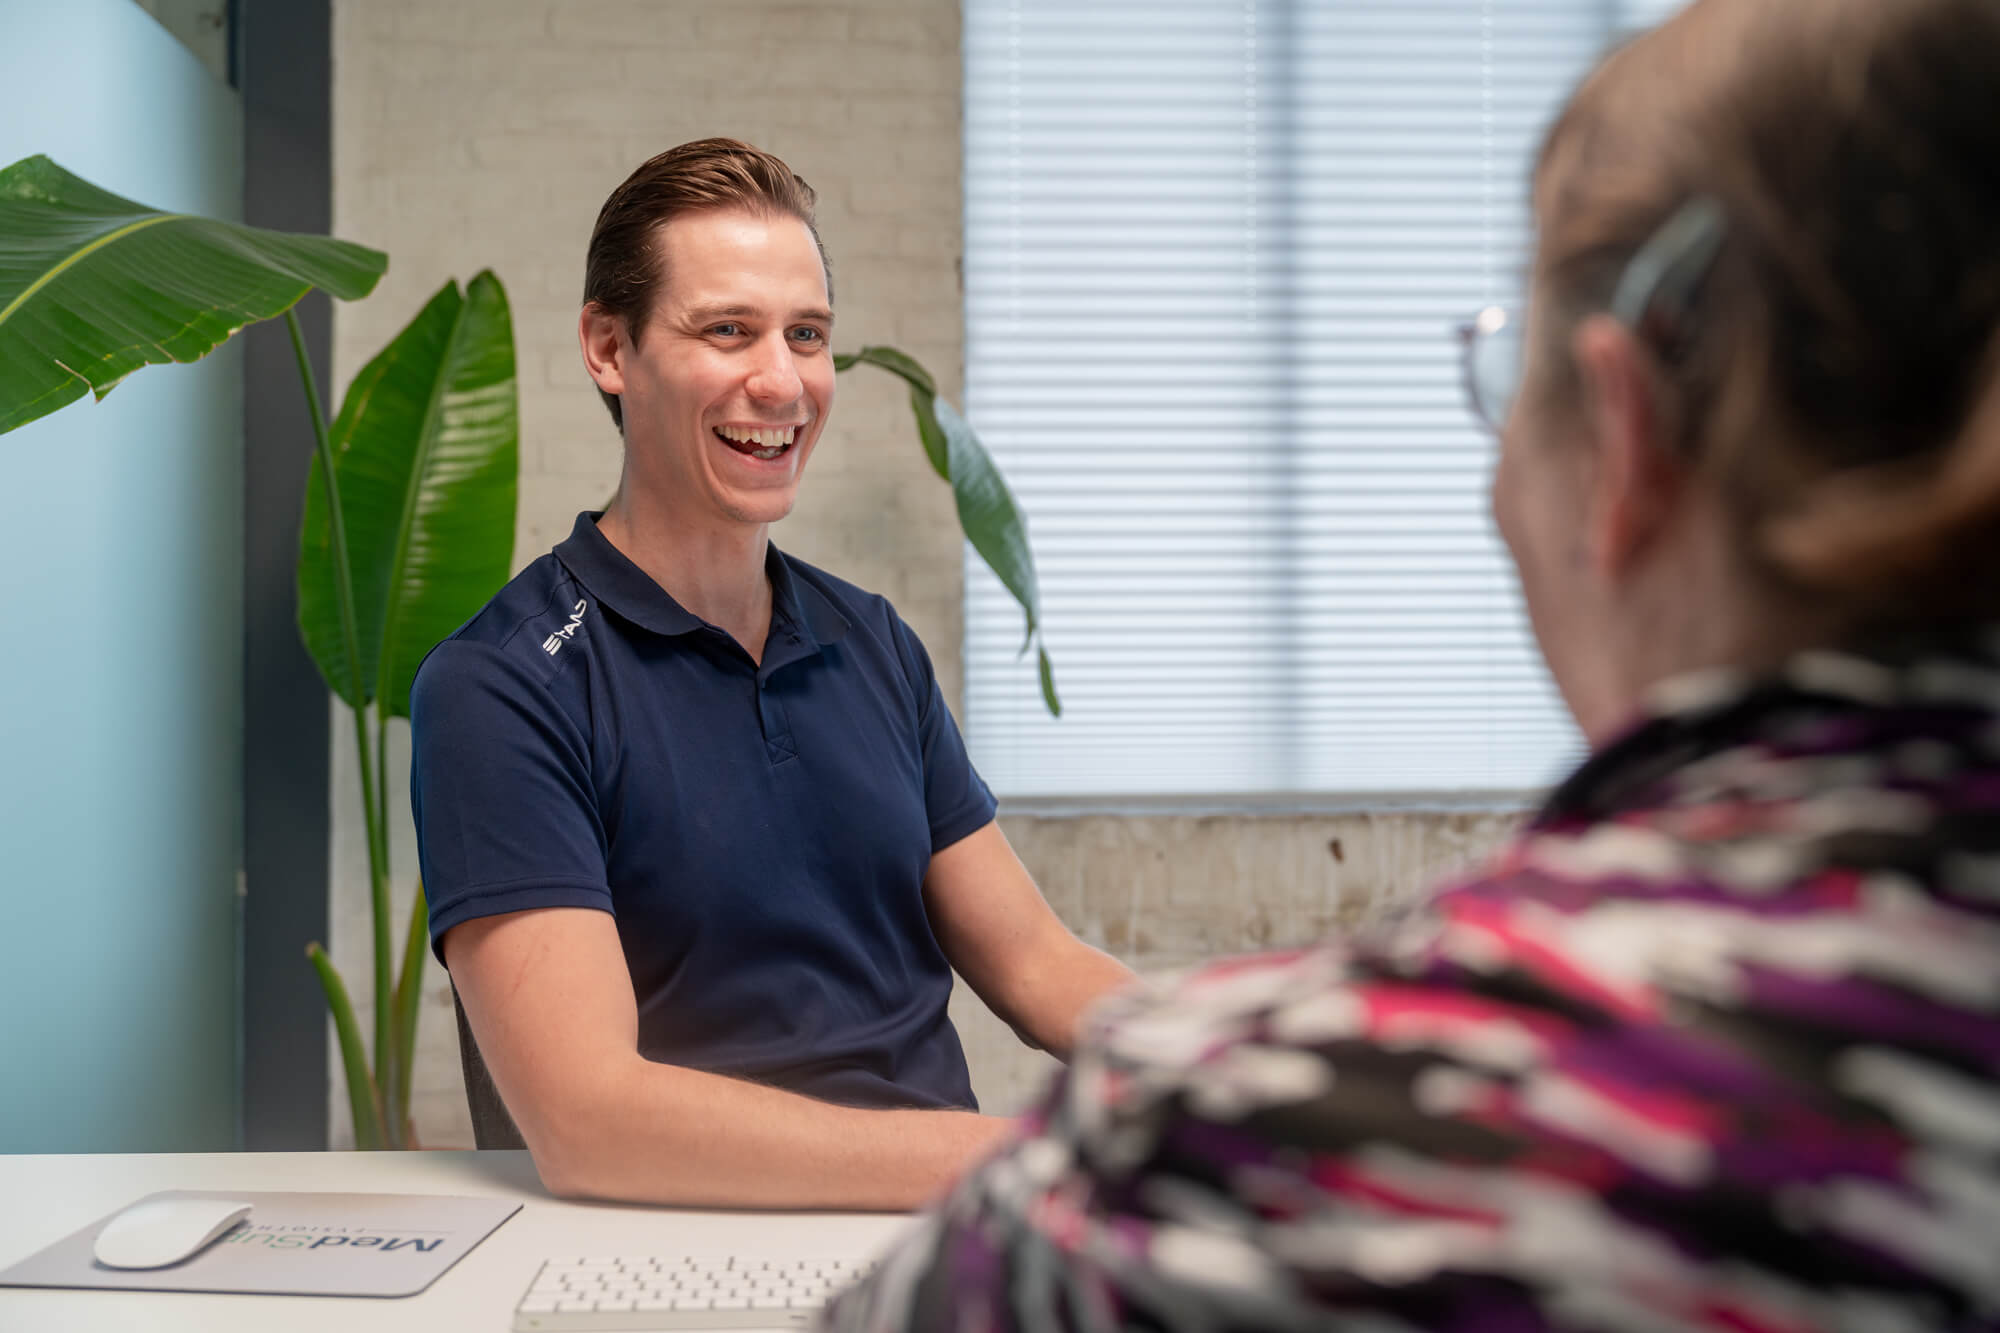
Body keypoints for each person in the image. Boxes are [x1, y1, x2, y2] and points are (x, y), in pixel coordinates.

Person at [825, 0, 2000, 1325]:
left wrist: (1193, 1063)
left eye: (1504, 379)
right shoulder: (543, 666)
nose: (783, 381)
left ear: (1621, 434)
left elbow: (1040, 970)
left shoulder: (1260, 1148)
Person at [409, 139, 1134, 1209]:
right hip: (683, 1239)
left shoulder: (872, 641)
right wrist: (1016, 1160)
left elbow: (1036, 963)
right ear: (609, 348)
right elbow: (587, 1120)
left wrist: (1243, 1072)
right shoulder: (504, 686)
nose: (781, 380)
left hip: (935, 1232)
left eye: (806, 335)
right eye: (727, 332)